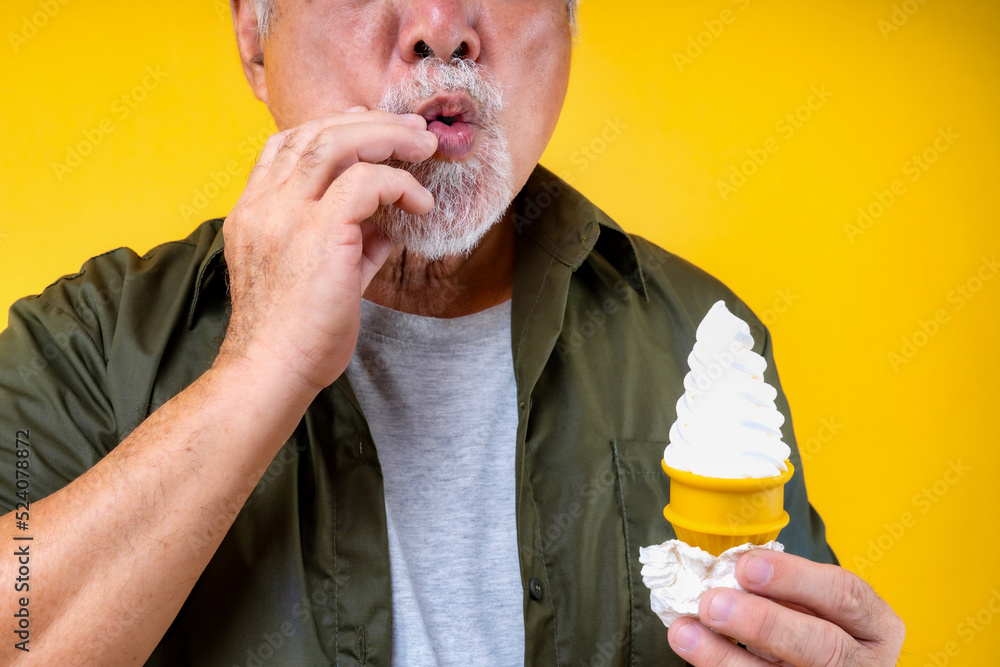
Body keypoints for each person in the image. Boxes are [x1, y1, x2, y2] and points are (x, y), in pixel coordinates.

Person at [0, 1, 904, 665]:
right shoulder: (88, 343)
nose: (440, 26)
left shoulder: (699, 343)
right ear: (252, 33)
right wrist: (260, 366)